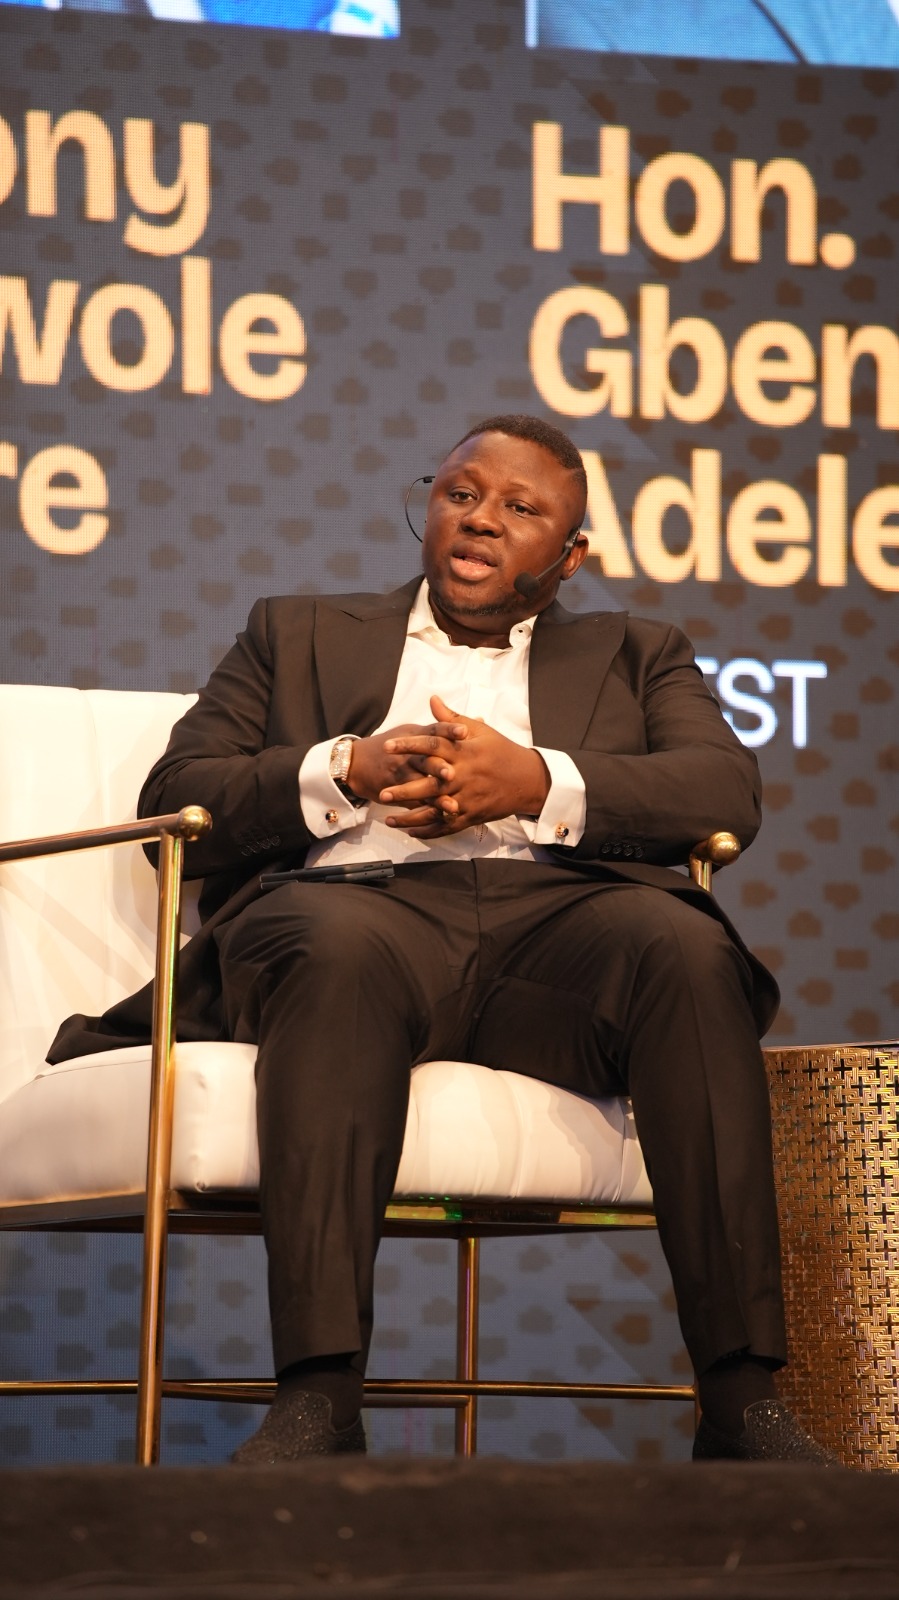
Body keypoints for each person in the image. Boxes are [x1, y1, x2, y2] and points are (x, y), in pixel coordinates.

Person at [50, 414, 836, 1466]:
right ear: (429, 507)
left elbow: (721, 789)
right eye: (461, 493)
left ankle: (740, 1399)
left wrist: (535, 781)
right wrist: (346, 768)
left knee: (685, 949)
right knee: (333, 949)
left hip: (559, 931)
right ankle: (319, 1395)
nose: (480, 518)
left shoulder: (636, 652)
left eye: (520, 508)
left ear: (570, 555)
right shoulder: (296, 631)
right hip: (356, 909)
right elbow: (180, 797)